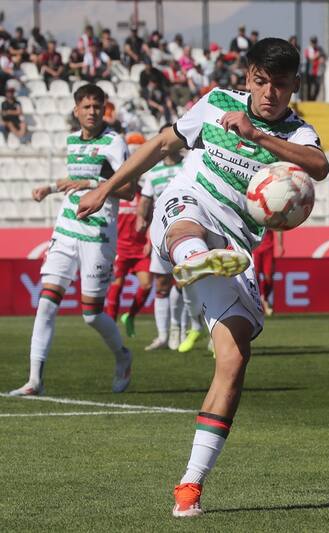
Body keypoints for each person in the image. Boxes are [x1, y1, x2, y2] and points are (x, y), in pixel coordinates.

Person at [77, 37, 329, 517]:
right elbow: (161, 144)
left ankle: (190, 484)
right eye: (261, 82)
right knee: (185, 221)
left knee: (234, 359)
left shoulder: (298, 133)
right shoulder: (215, 103)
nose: (269, 93)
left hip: (234, 247)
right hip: (188, 205)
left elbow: (319, 166)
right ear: (248, 77)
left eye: (279, 85)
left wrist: (258, 137)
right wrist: (106, 189)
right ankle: (191, 255)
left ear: (295, 84)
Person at [8, 84, 133, 397]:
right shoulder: (72, 140)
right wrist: (50, 188)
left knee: (91, 314)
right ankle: (35, 380)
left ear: (104, 110)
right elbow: (74, 184)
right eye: (86, 106)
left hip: (98, 234)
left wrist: (90, 182)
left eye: (97, 107)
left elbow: (129, 190)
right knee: (46, 303)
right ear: (76, 110)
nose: (92, 112)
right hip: (66, 229)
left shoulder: (114, 142)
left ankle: (122, 356)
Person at [136, 124, 200, 352]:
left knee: (184, 282)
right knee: (162, 285)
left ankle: (180, 328)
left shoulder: (189, 165)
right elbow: (145, 200)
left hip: (188, 232)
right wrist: (141, 218)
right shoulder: (153, 173)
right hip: (161, 235)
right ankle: (164, 335)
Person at [104, 133, 151, 337]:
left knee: (146, 285)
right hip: (120, 248)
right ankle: (110, 326)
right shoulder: (118, 193)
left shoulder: (144, 194)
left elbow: (150, 219)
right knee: (117, 286)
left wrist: (149, 240)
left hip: (140, 249)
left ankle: (130, 316)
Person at [252, 229, 283, 316]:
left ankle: (264, 298)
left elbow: (278, 228)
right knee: (254, 276)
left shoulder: (270, 218)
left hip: (268, 247)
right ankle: (258, 302)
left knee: (268, 277)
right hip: (256, 247)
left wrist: (280, 244)